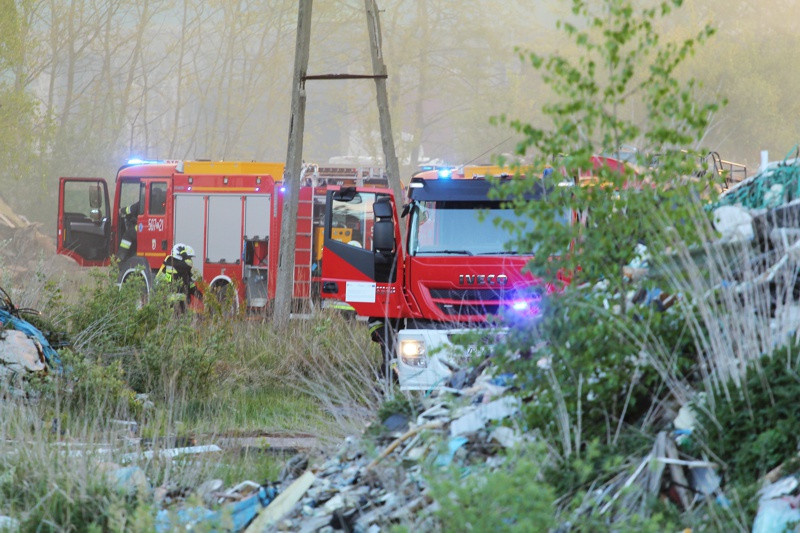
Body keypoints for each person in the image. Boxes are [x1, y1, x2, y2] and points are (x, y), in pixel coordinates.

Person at [156, 243, 201, 311]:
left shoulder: (181, 269)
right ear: (179, 255)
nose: (190, 259)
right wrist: (184, 255)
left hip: (178, 302)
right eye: (188, 257)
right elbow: (188, 265)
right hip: (170, 302)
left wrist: (202, 297)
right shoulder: (171, 262)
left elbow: (190, 285)